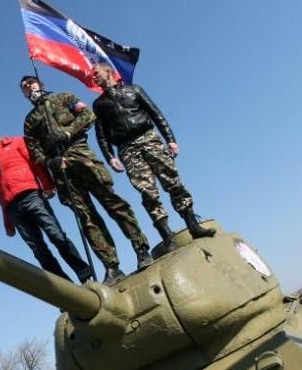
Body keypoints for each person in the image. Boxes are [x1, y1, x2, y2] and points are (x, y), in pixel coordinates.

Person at [20, 75, 152, 284]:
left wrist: (67, 132)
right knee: (86, 218)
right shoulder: (30, 121)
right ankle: (111, 266)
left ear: (40, 83)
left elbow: (88, 116)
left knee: (113, 203)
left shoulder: (63, 98)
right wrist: (49, 161)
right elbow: (34, 150)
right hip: (61, 169)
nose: (29, 87)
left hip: (82, 156)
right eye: (25, 87)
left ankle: (141, 249)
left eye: (31, 83)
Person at [91, 63, 215, 244]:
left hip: (149, 138)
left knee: (173, 182)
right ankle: (167, 236)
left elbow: (156, 115)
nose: (93, 77)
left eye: (96, 73)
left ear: (108, 72)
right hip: (127, 149)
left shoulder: (134, 90)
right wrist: (110, 157)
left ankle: (193, 225)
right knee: (147, 192)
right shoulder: (99, 105)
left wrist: (170, 139)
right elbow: (101, 135)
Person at [0, 124, 93, 283]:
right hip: (13, 210)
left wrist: (48, 186)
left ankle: (85, 275)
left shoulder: (17, 143)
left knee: (57, 236)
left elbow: (35, 165)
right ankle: (65, 288)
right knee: (39, 251)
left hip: (32, 197)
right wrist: (8, 223)